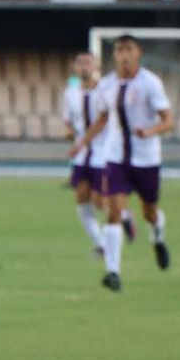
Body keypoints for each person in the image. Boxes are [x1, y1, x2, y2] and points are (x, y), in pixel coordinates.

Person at [72, 35, 174, 292]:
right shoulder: (106, 85)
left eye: (128, 48)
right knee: (113, 211)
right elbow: (104, 118)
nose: (123, 54)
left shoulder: (150, 83)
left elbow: (168, 120)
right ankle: (113, 272)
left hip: (146, 158)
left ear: (138, 52)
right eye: (119, 49)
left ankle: (158, 237)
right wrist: (83, 141)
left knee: (149, 211)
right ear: (114, 54)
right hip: (116, 157)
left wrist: (149, 132)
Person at [61, 52, 107, 259]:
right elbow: (67, 120)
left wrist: (81, 142)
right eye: (80, 63)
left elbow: (105, 120)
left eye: (88, 62)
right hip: (81, 155)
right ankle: (101, 244)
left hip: (104, 152)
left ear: (96, 66)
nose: (84, 66)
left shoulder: (105, 90)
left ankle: (124, 217)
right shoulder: (70, 93)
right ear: (75, 67)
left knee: (100, 201)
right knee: (81, 200)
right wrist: (68, 131)